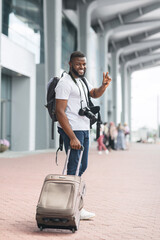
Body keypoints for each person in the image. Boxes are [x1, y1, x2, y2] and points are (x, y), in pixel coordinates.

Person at [55, 51, 111, 220]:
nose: (82, 67)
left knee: (81, 167)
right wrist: (71, 136)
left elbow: (93, 94)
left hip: (84, 129)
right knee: (73, 170)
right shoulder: (64, 83)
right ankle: (68, 209)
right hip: (73, 130)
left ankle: (74, 207)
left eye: (84, 64)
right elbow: (59, 111)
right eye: (79, 64)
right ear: (70, 64)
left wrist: (103, 86)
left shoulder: (83, 81)